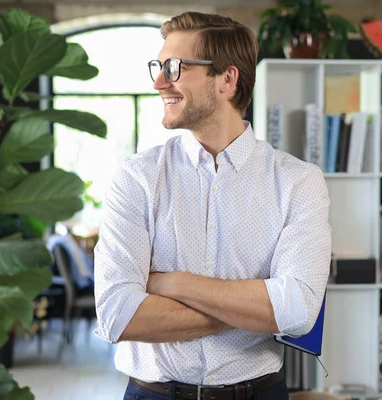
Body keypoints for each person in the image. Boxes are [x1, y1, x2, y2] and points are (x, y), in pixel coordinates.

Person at [93, 10, 332, 400]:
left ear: (227, 78)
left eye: (174, 67)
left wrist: (172, 283)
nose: (158, 81)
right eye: (158, 65)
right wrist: (256, 309)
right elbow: (118, 314)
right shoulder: (137, 177)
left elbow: (300, 313)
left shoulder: (297, 181)